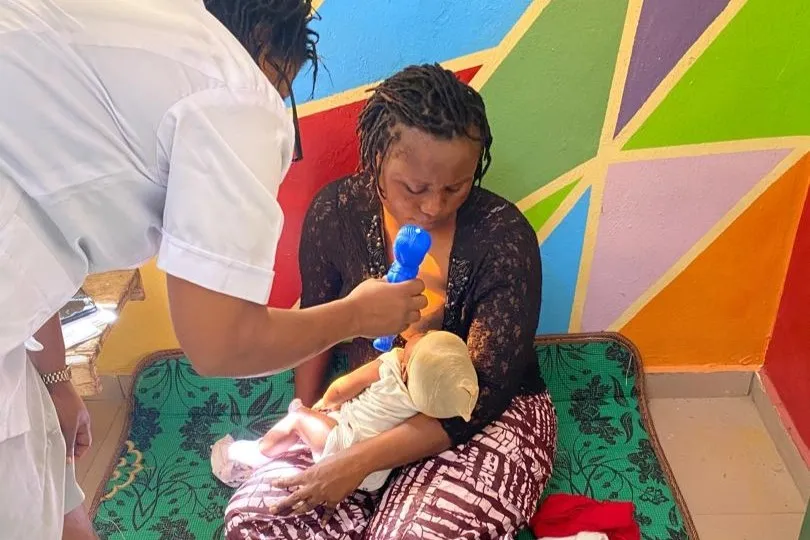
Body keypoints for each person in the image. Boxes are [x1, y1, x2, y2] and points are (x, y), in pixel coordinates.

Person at [0, 0, 426, 538]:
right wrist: (355, 317)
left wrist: (55, 378)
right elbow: (221, 344)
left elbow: (30, 195)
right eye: (283, 89)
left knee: (53, 490)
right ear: (268, 42)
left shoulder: (129, 35)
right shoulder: (238, 90)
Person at [225, 64, 558, 539]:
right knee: (258, 519)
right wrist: (308, 410)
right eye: (414, 188)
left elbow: (479, 397)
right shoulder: (337, 212)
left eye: (455, 187)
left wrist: (355, 463)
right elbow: (315, 325)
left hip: (477, 417)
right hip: (369, 404)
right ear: (376, 157)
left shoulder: (503, 237)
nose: (434, 207)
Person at [211, 331, 478, 493]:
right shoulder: (427, 403)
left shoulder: (392, 365)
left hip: (342, 443)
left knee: (297, 419)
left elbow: (343, 387)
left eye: (422, 341)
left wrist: (325, 403)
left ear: (407, 368)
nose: (422, 335)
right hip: (375, 472)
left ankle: (253, 454)